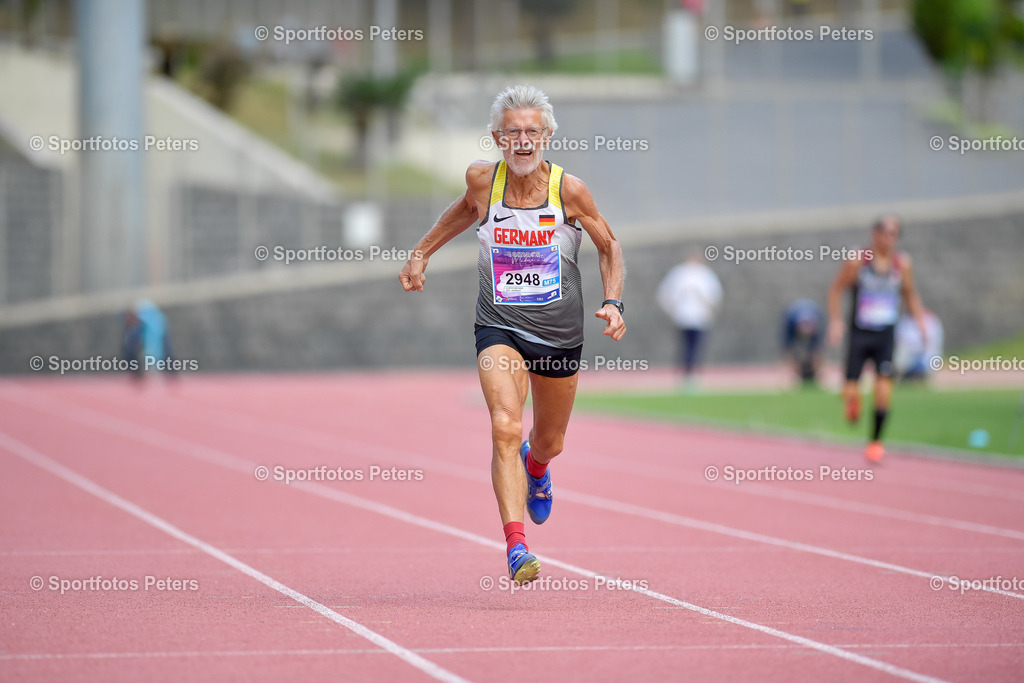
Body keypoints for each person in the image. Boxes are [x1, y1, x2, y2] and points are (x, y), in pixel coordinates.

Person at [398, 85, 626, 584]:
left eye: (532, 132)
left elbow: (609, 247)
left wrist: (613, 303)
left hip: (559, 333)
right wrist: (421, 252)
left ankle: (538, 469)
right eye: (513, 132)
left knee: (549, 440)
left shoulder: (570, 191)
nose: (523, 141)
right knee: (504, 425)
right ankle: (516, 546)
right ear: (498, 138)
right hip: (498, 324)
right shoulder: (484, 182)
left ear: (546, 136)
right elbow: (462, 211)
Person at [828, 216, 927, 463]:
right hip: (860, 333)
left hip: (885, 334)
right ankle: (853, 402)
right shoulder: (858, 261)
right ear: (874, 234)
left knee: (884, 389)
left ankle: (875, 442)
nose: (889, 237)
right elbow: (836, 289)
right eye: (885, 232)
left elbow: (909, 293)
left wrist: (921, 323)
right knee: (850, 389)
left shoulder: (901, 264)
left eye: (894, 233)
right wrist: (836, 321)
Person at [656, 251, 722, 383]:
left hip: (699, 317)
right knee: (687, 346)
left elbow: (714, 296)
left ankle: (691, 372)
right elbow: (666, 295)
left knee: (695, 346)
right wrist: (672, 310)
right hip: (683, 317)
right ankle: (687, 372)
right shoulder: (680, 273)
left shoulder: (704, 274)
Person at [781, 298, 824, 386]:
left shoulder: (817, 322)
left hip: (813, 321)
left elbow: (818, 349)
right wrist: (793, 367)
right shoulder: (790, 321)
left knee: (814, 351)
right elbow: (787, 346)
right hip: (792, 323)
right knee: (792, 351)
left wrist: (817, 367)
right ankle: (793, 374)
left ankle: (817, 373)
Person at [893, 309, 943, 382]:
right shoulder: (905, 320)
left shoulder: (931, 319)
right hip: (908, 353)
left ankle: (923, 378)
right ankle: (900, 378)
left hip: (925, 353)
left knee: (931, 357)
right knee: (900, 357)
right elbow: (900, 340)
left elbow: (934, 342)